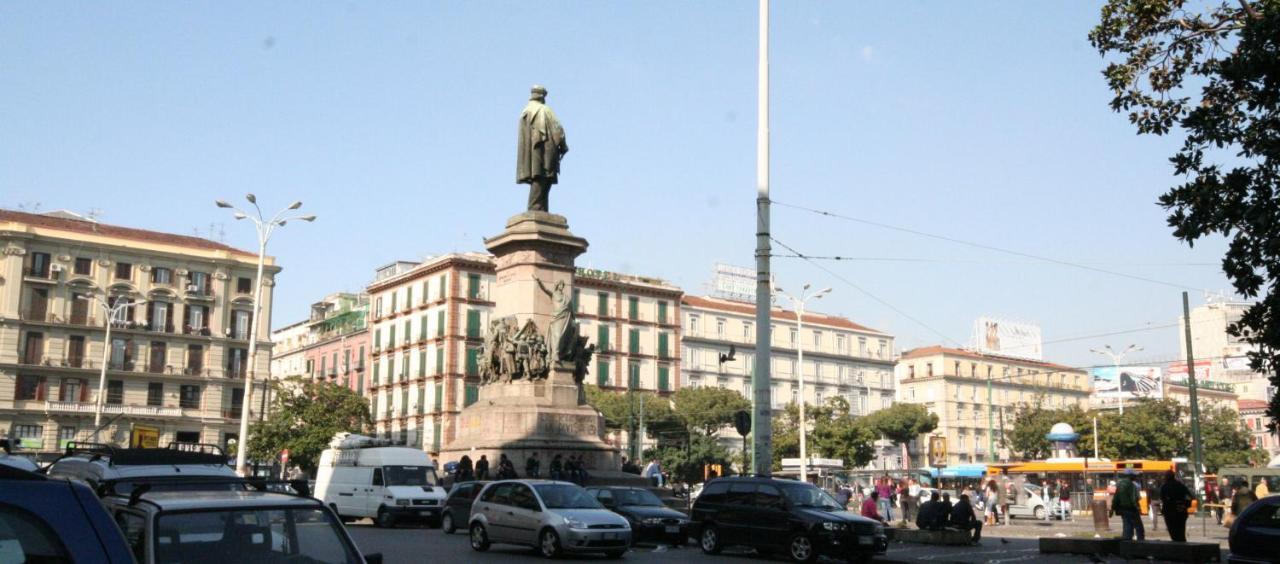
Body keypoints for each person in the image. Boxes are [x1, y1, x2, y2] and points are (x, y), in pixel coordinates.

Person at [516, 85, 569, 212]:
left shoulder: (525, 111)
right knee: (544, 176)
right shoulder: (544, 110)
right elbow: (558, 129)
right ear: (542, 96)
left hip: (532, 151)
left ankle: (539, 208)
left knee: (539, 176)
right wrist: (564, 145)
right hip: (546, 148)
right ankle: (536, 207)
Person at [1159, 470, 1192, 542]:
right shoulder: (1181, 485)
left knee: (1173, 532)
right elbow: (1189, 497)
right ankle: (1183, 546)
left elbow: (1162, 498)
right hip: (1181, 511)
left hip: (1169, 512)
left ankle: (1177, 546)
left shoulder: (1164, 487)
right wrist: (1185, 505)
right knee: (1181, 531)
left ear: (1166, 477)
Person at [1112, 470, 1145, 541]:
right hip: (1131, 508)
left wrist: (1113, 508)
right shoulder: (1132, 485)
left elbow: (1115, 498)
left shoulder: (1120, 484)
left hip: (1123, 508)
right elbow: (1134, 498)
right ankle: (1141, 542)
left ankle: (1127, 539)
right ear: (1130, 476)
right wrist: (1137, 508)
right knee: (1138, 526)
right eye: (1134, 475)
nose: (1136, 477)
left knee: (1127, 525)